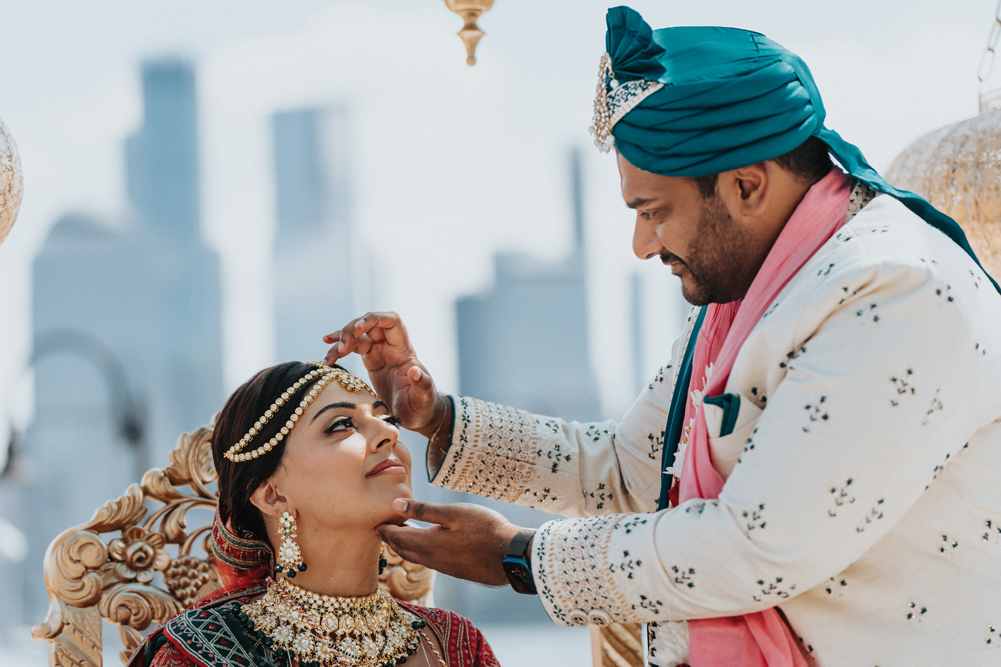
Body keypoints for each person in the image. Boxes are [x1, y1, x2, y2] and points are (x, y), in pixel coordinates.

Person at [322, 6, 1001, 667]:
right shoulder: (749, 288)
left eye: (652, 211)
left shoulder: (888, 289)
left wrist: (522, 559)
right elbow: (629, 469)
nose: (642, 244)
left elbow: (756, 546)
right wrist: (436, 417)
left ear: (745, 186)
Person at [129, 362, 500, 667]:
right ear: (272, 495)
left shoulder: (454, 644)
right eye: (342, 425)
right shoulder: (205, 653)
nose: (388, 433)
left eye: (388, 419)